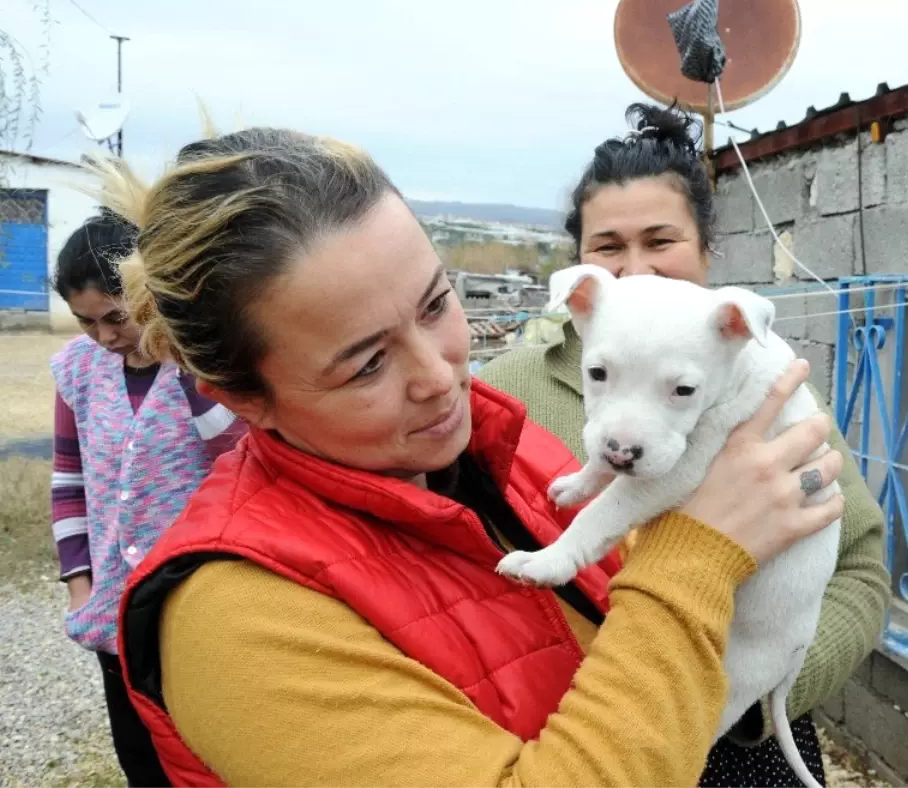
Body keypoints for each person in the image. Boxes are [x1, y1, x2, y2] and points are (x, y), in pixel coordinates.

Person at [92, 127, 847, 788]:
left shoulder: (503, 454)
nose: (440, 374)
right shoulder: (237, 622)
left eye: (434, 304)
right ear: (241, 396)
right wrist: (700, 556)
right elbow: (672, 584)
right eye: (366, 364)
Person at [478, 103, 890, 787]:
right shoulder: (503, 391)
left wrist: (759, 690)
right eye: (608, 246)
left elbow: (862, 565)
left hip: (741, 733)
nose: (635, 270)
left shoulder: (769, 383)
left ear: (707, 251)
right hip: (581, 742)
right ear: (580, 272)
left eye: (660, 241)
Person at [48, 212, 246, 787]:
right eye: (88, 324)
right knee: (141, 759)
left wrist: (180, 351)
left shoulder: (206, 358)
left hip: (200, 597)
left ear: (151, 295)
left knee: (212, 753)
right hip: (114, 605)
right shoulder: (77, 372)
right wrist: (80, 586)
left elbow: (236, 452)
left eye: (118, 317)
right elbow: (69, 480)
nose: (108, 336)